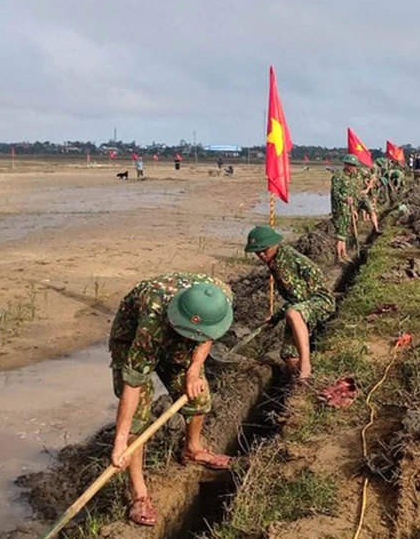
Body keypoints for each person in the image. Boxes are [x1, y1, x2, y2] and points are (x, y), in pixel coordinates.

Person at [108, 273, 235, 526]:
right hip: (132, 336)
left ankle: (192, 449)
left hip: (183, 330)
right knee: (137, 419)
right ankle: (138, 493)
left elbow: (208, 335)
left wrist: (193, 370)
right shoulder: (151, 326)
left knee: (198, 399)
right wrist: (120, 441)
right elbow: (133, 383)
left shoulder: (220, 298)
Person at [245, 226, 335, 381]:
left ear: (273, 245)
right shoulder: (274, 259)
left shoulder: (283, 262)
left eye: (264, 250)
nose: (260, 254)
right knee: (288, 355)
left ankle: (306, 366)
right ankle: (300, 382)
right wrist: (275, 318)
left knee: (292, 313)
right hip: (305, 303)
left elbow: (299, 300)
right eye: (257, 251)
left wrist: (278, 316)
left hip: (320, 301)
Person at [330, 154, 361, 262]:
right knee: (340, 234)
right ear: (346, 165)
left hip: (349, 209)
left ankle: (344, 254)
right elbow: (335, 192)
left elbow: (353, 194)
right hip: (340, 209)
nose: (354, 168)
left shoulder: (352, 178)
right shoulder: (338, 176)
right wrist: (344, 199)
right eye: (352, 165)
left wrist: (354, 210)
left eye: (355, 166)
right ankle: (338, 256)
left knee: (344, 233)